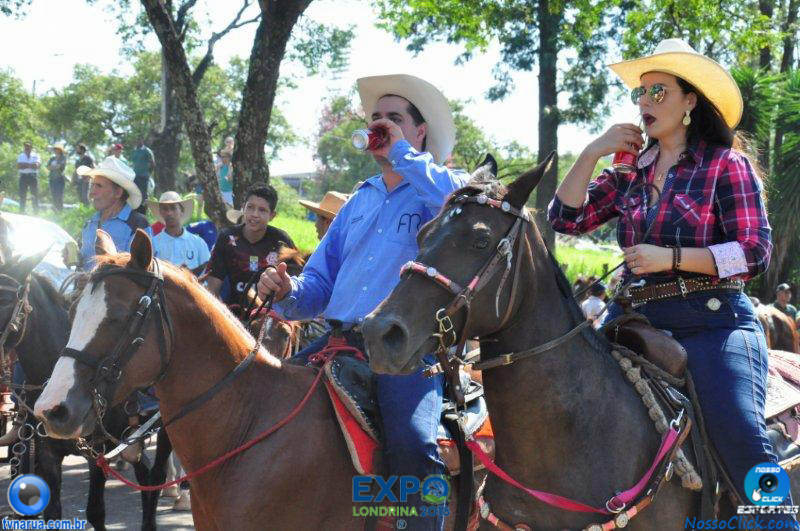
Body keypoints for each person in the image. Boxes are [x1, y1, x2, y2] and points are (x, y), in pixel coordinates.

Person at [548, 39, 794, 520]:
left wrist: (670, 256)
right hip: (631, 321)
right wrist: (593, 151)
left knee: (742, 439)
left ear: (690, 101)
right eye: (640, 95)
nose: (643, 104)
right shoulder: (628, 174)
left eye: (658, 92)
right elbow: (564, 218)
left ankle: (779, 521)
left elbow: (754, 251)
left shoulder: (727, 165)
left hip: (713, 323)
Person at [257, 73, 466, 530]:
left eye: (394, 118)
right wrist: (287, 291)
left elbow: (461, 204)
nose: (381, 124)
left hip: (405, 349)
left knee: (412, 443)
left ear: (419, 132)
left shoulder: (442, 187)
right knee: (260, 402)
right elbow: (318, 285)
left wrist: (403, 155)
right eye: (376, 118)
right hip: (337, 339)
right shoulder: (358, 200)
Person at [205, 185, 295, 304]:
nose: (254, 214)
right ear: (243, 208)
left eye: (262, 210)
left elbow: (294, 287)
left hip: (269, 316)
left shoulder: (281, 241)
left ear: (272, 215)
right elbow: (212, 290)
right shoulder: (226, 237)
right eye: (250, 207)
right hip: (233, 315)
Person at [75, 156, 150, 269]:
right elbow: (86, 262)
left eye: (99, 186)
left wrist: (95, 280)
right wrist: (75, 259)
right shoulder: (90, 222)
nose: (92, 193)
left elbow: (141, 270)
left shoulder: (137, 224)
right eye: (92, 185)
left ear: (118, 192)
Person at [148, 191, 210, 275]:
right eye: (165, 209)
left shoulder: (198, 243)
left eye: (173, 208)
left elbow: (207, 273)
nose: (169, 213)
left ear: (182, 211)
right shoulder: (153, 244)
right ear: (161, 212)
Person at [131, 139, 156, 215]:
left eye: (139, 139)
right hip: (135, 176)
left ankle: (144, 213)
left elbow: (152, 163)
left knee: (143, 196)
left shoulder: (147, 150)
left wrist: (148, 173)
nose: (137, 141)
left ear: (142, 141)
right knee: (135, 194)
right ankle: (135, 212)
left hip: (143, 176)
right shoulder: (135, 151)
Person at [17, 141, 40, 213]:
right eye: (25, 146)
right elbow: (18, 166)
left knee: (34, 194)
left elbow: (36, 166)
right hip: (23, 177)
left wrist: (24, 165)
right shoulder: (21, 155)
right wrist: (30, 165)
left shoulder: (36, 155)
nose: (26, 148)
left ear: (31, 147)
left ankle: (36, 212)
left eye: (28, 146)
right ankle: (22, 211)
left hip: (32, 176)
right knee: (22, 194)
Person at [47, 142, 68, 211]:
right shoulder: (52, 158)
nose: (56, 150)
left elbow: (60, 166)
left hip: (60, 179)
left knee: (59, 195)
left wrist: (53, 167)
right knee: (53, 195)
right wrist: (54, 167)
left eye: (57, 149)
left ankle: (60, 210)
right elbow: (48, 167)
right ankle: (55, 210)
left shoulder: (63, 158)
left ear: (60, 150)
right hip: (52, 178)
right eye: (55, 149)